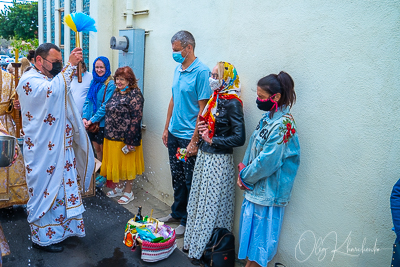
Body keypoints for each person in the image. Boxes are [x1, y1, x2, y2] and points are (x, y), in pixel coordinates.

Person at [16, 43, 95, 253]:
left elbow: (60, 92)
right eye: (55, 62)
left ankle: (63, 231)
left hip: (61, 149)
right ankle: (43, 237)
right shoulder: (29, 81)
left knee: (63, 192)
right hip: (44, 153)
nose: (58, 65)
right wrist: (70, 66)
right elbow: (51, 92)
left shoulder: (48, 78)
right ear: (39, 61)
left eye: (60, 61)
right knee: (47, 193)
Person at [236, 72, 300, 267]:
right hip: (254, 191)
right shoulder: (267, 118)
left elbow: (268, 162)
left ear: (276, 97)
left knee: (257, 253)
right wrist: (242, 173)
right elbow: (252, 147)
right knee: (250, 248)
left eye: (262, 97)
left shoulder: (284, 125)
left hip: (268, 196)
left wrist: (245, 177)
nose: (258, 100)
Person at [183, 62, 245, 261]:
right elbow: (209, 127)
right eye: (211, 74)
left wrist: (213, 139)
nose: (212, 78)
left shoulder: (233, 102)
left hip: (218, 162)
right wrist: (201, 136)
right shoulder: (214, 98)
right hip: (204, 157)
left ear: (226, 78)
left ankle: (211, 249)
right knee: (200, 202)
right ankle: (197, 246)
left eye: (216, 75)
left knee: (213, 206)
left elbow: (239, 137)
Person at [159, 30, 212, 237]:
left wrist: (194, 141)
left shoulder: (201, 72)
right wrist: (166, 128)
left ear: (189, 48)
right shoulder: (178, 69)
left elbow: (203, 110)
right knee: (177, 178)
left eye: (176, 50)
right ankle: (177, 212)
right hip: (174, 133)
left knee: (190, 181)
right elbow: (173, 99)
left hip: (188, 137)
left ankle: (187, 221)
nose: (174, 53)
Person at [101, 66, 144, 204]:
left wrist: (130, 141)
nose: (119, 82)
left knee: (127, 166)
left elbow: (136, 118)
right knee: (117, 165)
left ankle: (128, 191)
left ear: (129, 80)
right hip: (111, 135)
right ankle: (119, 187)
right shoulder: (116, 91)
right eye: (117, 79)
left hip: (126, 138)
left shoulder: (135, 94)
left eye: (122, 79)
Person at [0, 67, 28, 209]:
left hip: (5, 125)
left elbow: (12, 103)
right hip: (3, 126)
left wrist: (15, 105)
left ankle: (10, 196)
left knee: (10, 159)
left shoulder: (9, 78)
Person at [82, 56, 115, 162]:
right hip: (91, 123)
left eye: (102, 67)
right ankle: (101, 171)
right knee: (97, 149)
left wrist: (92, 120)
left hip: (103, 124)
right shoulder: (94, 82)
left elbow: (106, 106)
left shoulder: (111, 84)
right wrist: (85, 118)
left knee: (104, 149)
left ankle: (105, 174)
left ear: (107, 68)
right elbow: (88, 100)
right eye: (97, 67)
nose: (99, 70)